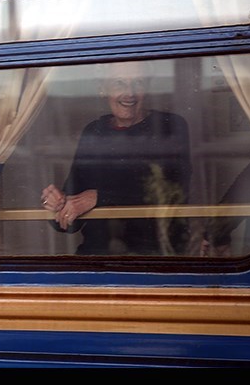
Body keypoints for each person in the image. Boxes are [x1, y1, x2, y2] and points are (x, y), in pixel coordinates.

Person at [40, 60, 192, 255]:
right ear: (103, 88)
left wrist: (100, 197)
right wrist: (56, 204)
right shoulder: (93, 132)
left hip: (155, 258)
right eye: (119, 83)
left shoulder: (169, 125)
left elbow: (173, 193)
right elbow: (71, 221)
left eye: (138, 83)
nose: (129, 92)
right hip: (97, 259)